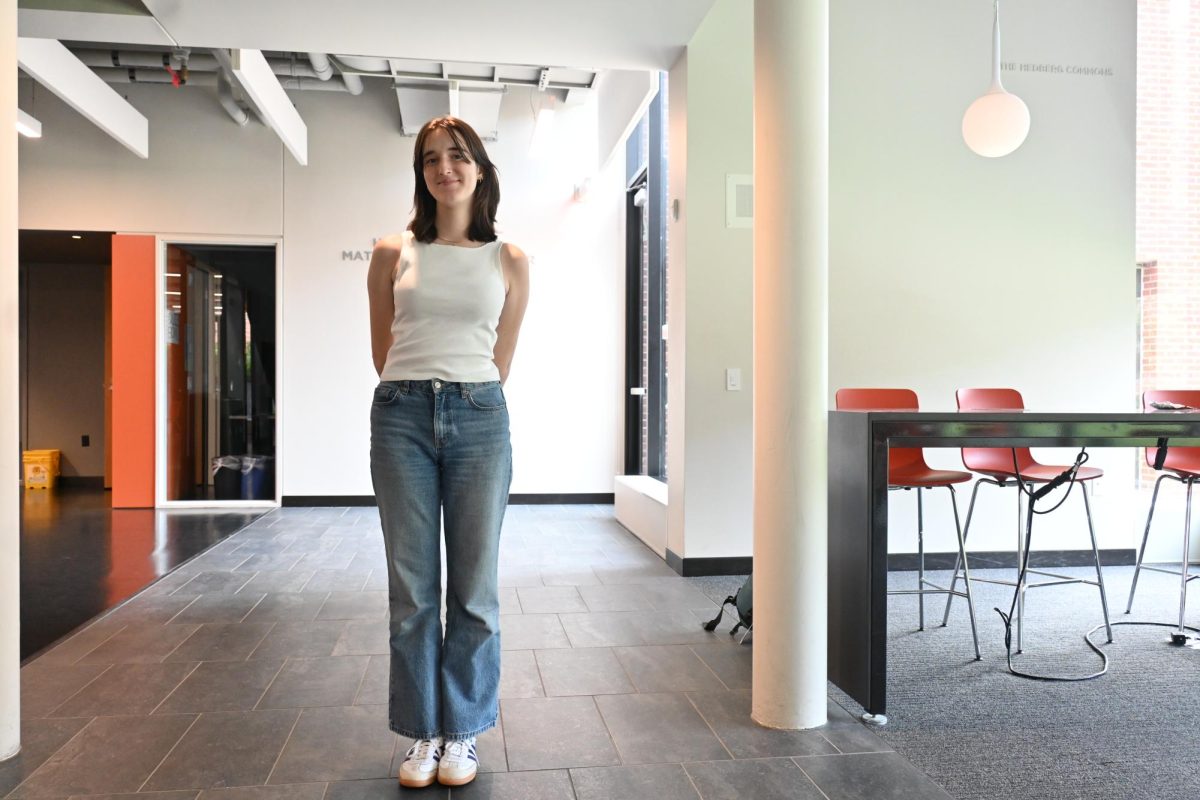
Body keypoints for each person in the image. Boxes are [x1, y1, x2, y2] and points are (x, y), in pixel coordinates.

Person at [366, 116, 529, 789]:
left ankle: (461, 731)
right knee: (411, 592)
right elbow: (384, 352)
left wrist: (459, 390)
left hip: (479, 415)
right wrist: (418, 388)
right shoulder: (390, 252)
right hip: (401, 416)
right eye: (431, 159)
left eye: (458, 157)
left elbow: (503, 357)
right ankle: (422, 733)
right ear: (420, 173)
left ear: (481, 170)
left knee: (474, 590)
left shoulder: (509, 260)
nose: (445, 169)